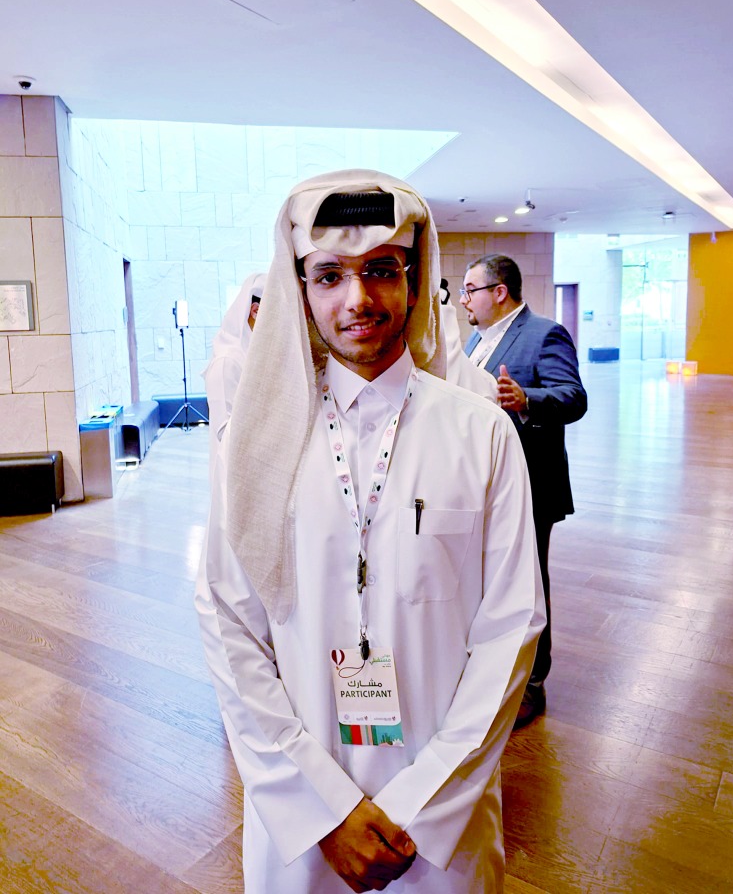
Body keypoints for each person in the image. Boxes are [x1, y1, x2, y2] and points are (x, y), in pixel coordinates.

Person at [195, 170, 544, 893]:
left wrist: (419, 802)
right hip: (301, 829)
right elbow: (230, 624)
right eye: (330, 276)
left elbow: (510, 629)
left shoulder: (481, 432)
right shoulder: (254, 442)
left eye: (381, 270)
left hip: (440, 826)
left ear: (413, 283)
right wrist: (320, 811)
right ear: (300, 292)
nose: (357, 299)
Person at [461, 254, 587, 728]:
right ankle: (494, 674)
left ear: (499, 292)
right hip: (483, 485)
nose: (464, 301)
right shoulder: (476, 340)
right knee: (491, 583)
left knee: (530, 585)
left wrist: (526, 399)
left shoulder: (544, 333)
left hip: (530, 482)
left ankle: (533, 684)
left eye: (471, 290)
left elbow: (573, 397)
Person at [202, 271, 266, 477]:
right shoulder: (227, 361)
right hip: (235, 475)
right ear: (255, 310)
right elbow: (226, 432)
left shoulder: (253, 352)